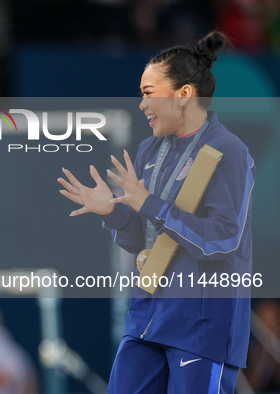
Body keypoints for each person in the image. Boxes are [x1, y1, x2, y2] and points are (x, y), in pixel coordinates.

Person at [58, 31, 254, 393]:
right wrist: (113, 213)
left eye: (149, 94)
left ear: (184, 95)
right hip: (147, 318)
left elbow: (223, 237)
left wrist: (148, 203)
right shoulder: (150, 150)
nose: (142, 105)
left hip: (202, 324)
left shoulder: (229, 151)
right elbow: (143, 237)